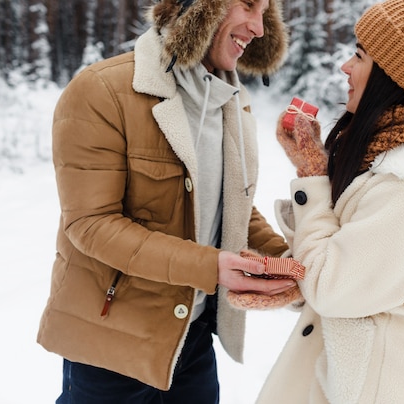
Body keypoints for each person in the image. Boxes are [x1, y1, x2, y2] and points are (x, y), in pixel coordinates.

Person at [37, 0, 296, 402]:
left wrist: (289, 264)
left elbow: (228, 210)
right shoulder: (103, 90)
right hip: (110, 342)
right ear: (201, 7)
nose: (258, 28)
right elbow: (91, 225)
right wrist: (210, 267)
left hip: (190, 340)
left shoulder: (230, 99)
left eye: (265, 13)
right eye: (248, 5)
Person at [256, 0, 404, 402]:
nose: (346, 66)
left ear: (394, 75)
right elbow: (350, 266)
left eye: (360, 56)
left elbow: (331, 287)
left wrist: (312, 176)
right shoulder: (386, 156)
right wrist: (289, 278)